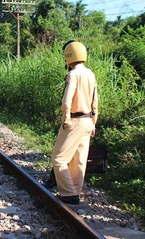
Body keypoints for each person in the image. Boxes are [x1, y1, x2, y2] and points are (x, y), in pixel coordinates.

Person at [51, 41, 98, 205]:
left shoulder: (73, 75)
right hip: (87, 121)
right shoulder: (90, 74)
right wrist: (93, 123)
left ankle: (68, 194)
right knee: (79, 160)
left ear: (68, 56)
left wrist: (66, 120)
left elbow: (66, 101)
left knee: (58, 158)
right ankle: (76, 191)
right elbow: (95, 102)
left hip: (75, 120)